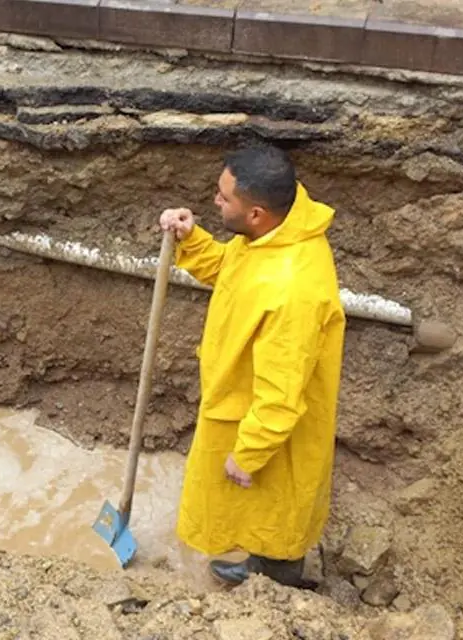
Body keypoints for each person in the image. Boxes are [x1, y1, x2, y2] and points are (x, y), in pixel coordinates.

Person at [159, 145, 346, 588]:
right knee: (269, 505)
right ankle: (265, 565)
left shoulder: (292, 290)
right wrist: (193, 239)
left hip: (267, 418)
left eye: (224, 199)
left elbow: (281, 396)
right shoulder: (271, 238)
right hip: (245, 400)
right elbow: (233, 270)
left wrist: (249, 453)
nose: (216, 201)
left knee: (275, 503)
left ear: (257, 213)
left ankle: (277, 585)